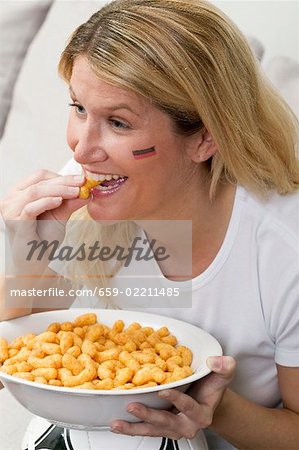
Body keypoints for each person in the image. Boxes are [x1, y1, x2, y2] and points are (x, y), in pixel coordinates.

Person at [0, 0, 299, 449]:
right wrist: (30, 254)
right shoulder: (96, 189)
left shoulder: (283, 248)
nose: (82, 150)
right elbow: (26, 362)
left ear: (205, 137)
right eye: (78, 108)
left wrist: (216, 411)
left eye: (118, 122)